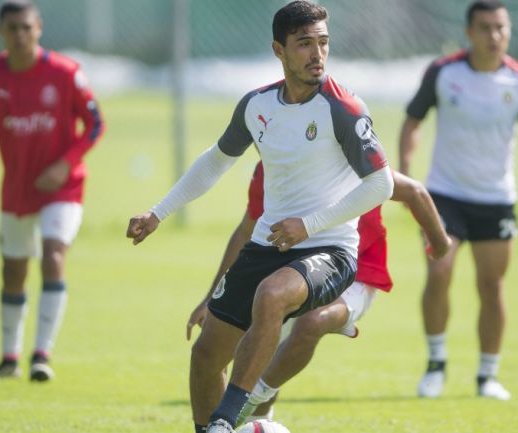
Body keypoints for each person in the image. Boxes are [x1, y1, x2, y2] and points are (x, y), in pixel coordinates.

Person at [127, 2, 394, 431]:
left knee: (272, 296)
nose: (317, 54)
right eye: (304, 44)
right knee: (206, 355)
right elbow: (214, 162)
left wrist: (308, 225)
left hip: (329, 248)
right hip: (268, 245)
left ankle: (227, 421)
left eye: (323, 43)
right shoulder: (256, 106)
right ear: (279, 49)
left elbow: (382, 184)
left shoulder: (344, 108)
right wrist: (159, 212)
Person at [185, 162, 452, 424]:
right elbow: (247, 230)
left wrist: (440, 244)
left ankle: (248, 402)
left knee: (314, 321)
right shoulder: (269, 167)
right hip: (293, 272)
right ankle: (248, 415)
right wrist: (210, 298)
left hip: (358, 272)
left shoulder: (350, 162)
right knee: (219, 351)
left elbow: (415, 192)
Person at [398, 0, 518, 400]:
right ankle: (435, 365)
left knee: (491, 285)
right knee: (439, 273)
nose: (494, 36)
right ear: (469, 32)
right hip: (444, 194)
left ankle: (488, 376)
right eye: (485, 28)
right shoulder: (442, 72)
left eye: (501, 27)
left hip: (496, 198)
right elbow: (412, 122)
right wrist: (404, 173)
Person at [0, 0, 104, 382]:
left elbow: (94, 124)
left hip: (64, 187)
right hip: (17, 189)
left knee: (54, 253)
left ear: (39, 28)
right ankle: (9, 360)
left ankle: (41, 356)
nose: (20, 35)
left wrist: (64, 165)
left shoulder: (65, 72)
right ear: (0, 32)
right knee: (13, 270)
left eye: (27, 27)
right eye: (12, 28)